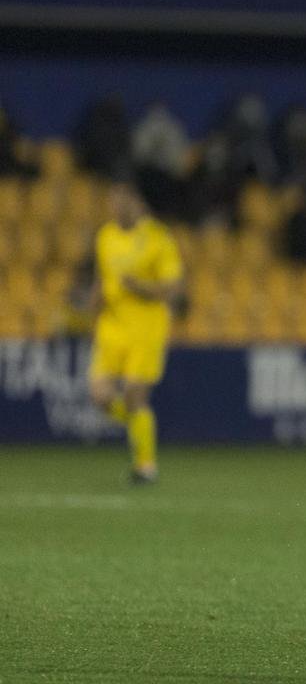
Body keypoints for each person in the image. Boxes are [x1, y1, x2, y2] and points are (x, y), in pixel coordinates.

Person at [88, 175, 184, 484]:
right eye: (112, 201)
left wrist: (140, 287)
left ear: (136, 202)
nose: (115, 207)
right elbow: (103, 280)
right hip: (112, 326)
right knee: (101, 396)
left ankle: (145, 466)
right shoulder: (105, 236)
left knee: (133, 394)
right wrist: (95, 300)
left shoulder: (158, 238)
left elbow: (173, 289)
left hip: (146, 327)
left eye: (121, 201)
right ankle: (139, 426)